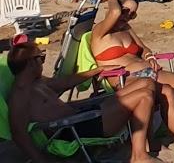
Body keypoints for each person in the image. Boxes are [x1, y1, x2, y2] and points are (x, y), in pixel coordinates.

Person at [5, 37, 159, 163]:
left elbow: (67, 82)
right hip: (75, 130)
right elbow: (19, 134)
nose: (43, 63)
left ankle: (144, 143)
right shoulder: (20, 96)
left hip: (83, 116)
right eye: (42, 58)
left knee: (146, 83)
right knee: (144, 96)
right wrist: (42, 160)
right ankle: (138, 156)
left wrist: (98, 70)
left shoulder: (38, 82)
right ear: (32, 62)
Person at [90, 0, 174, 149]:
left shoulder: (126, 28)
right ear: (113, 8)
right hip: (125, 79)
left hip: (150, 71)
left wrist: (149, 56)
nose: (127, 16)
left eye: (132, 14)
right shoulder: (100, 31)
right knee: (168, 92)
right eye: (125, 11)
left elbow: (143, 48)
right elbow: (115, 11)